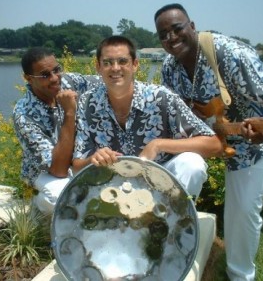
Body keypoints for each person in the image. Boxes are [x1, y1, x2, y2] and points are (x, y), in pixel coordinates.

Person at [154, 3, 263, 281]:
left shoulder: (229, 53)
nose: (171, 38)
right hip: (212, 142)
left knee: (243, 210)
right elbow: (171, 112)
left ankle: (240, 276)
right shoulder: (169, 67)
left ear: (192, 25)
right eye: (163, 34)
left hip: (257, 146)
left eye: (177, 29)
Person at [72, 35, 223, 201]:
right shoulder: (88, 103)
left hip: (159, 183)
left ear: (135, 64)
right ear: (98, 67)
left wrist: (158, 144)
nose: (115, 68)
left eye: (123, 61)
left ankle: (175, 219)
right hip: (111, 185)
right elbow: (77, 167)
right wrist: (93, 159)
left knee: (192, 163)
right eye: (107, 62)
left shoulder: (160, 97)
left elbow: (214, 143)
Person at [13, 47, 103, 215]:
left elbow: (109, 81)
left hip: (79, 160)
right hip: (45, 170)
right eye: (45, 75)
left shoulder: (69, 81)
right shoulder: (24, 114)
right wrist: (70, 112)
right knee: (63, 197)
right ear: (28, 78)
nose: (55, 79)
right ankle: (39, 208)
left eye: (56, 70)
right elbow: (59, 170)